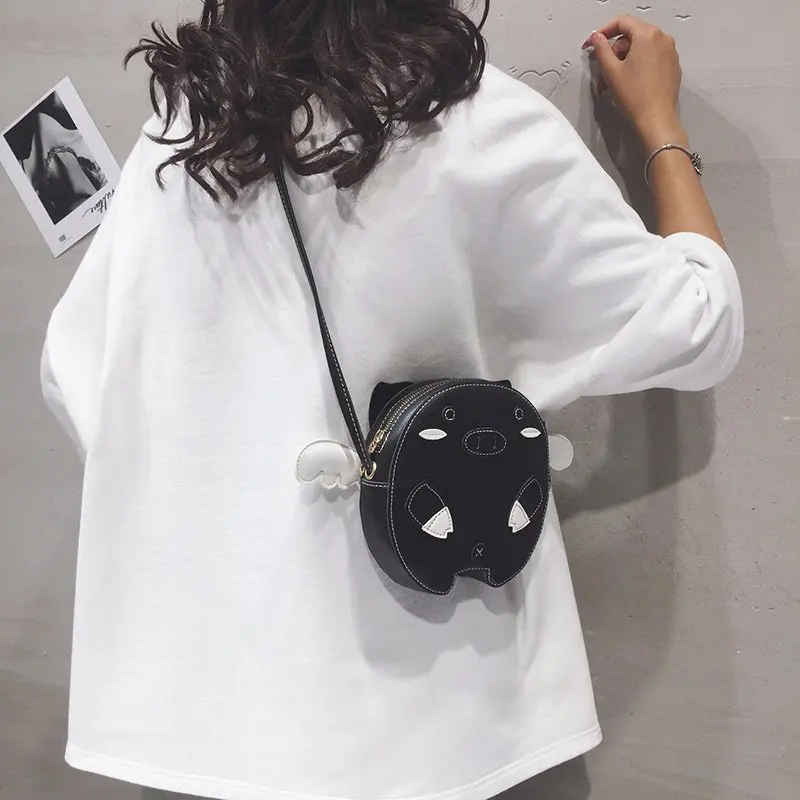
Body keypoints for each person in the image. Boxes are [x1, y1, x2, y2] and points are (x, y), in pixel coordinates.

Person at [41, 3, 743, 800]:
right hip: (438, 715)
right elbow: (701, 322)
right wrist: (659, 125)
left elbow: (74, 373)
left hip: (209, 724)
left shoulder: (182, 137)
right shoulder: (476, 121)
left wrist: (227, 504)